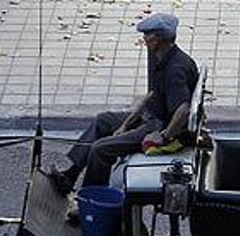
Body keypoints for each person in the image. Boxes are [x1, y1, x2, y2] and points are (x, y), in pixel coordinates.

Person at [50, 12, 199, 196]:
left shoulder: (176, 68)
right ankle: (69, 177)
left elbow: (183, 110)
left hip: (160, 126)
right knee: (102, 121)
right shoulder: (156, 55)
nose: (144, 38)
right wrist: (125, 124)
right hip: (150, 116)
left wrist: (164, 136)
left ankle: (90, 200)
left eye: (148, 34)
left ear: (159, 39)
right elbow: (151, 94)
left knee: (100, 149)